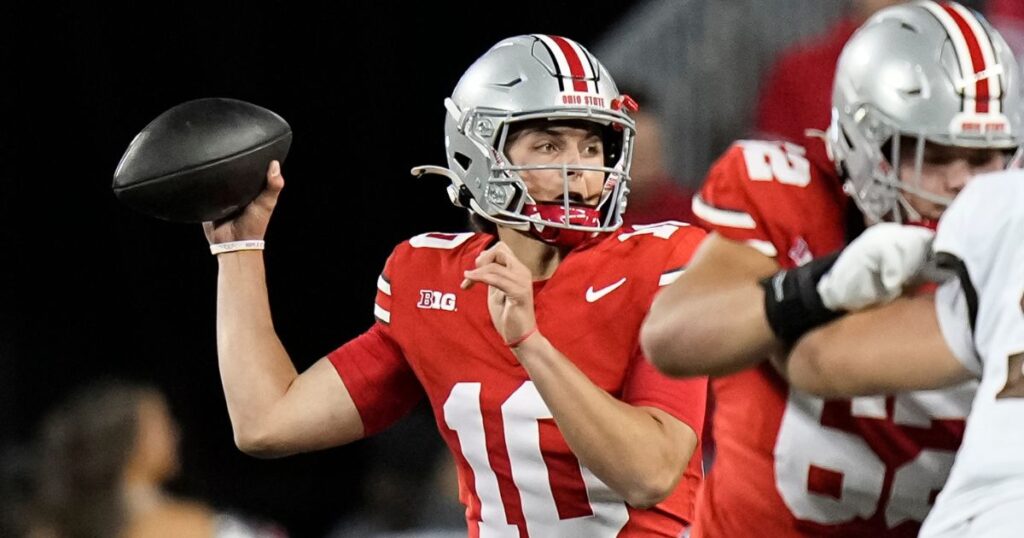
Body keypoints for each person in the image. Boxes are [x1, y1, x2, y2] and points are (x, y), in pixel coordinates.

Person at [206, 34, 708, 536]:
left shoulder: (662, 263)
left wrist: (530, 344)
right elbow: (267, 423)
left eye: (592, 144)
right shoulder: (431, 279)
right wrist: (238, 248)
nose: (578, 166)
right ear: (481, 154)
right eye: (549, 144)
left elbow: (652, 474)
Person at [640, 2, 1023, 537]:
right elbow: (672, 338)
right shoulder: (789, 195)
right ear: (865, 147)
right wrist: (817, 285)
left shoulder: (1013, 238)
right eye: (934, 155)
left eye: (984, 158)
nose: (965, 184)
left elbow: (813, 359)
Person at [778, 168, 1024, 537]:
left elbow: (815, 360)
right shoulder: (1004, 203)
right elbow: (816, 360)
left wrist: (820, 290)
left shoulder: (1003, 201)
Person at [26, 380, 282, 538]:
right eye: (161, 423)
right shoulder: (182, 525)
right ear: (129, 444)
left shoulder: (64, 526)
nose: (175, 432)